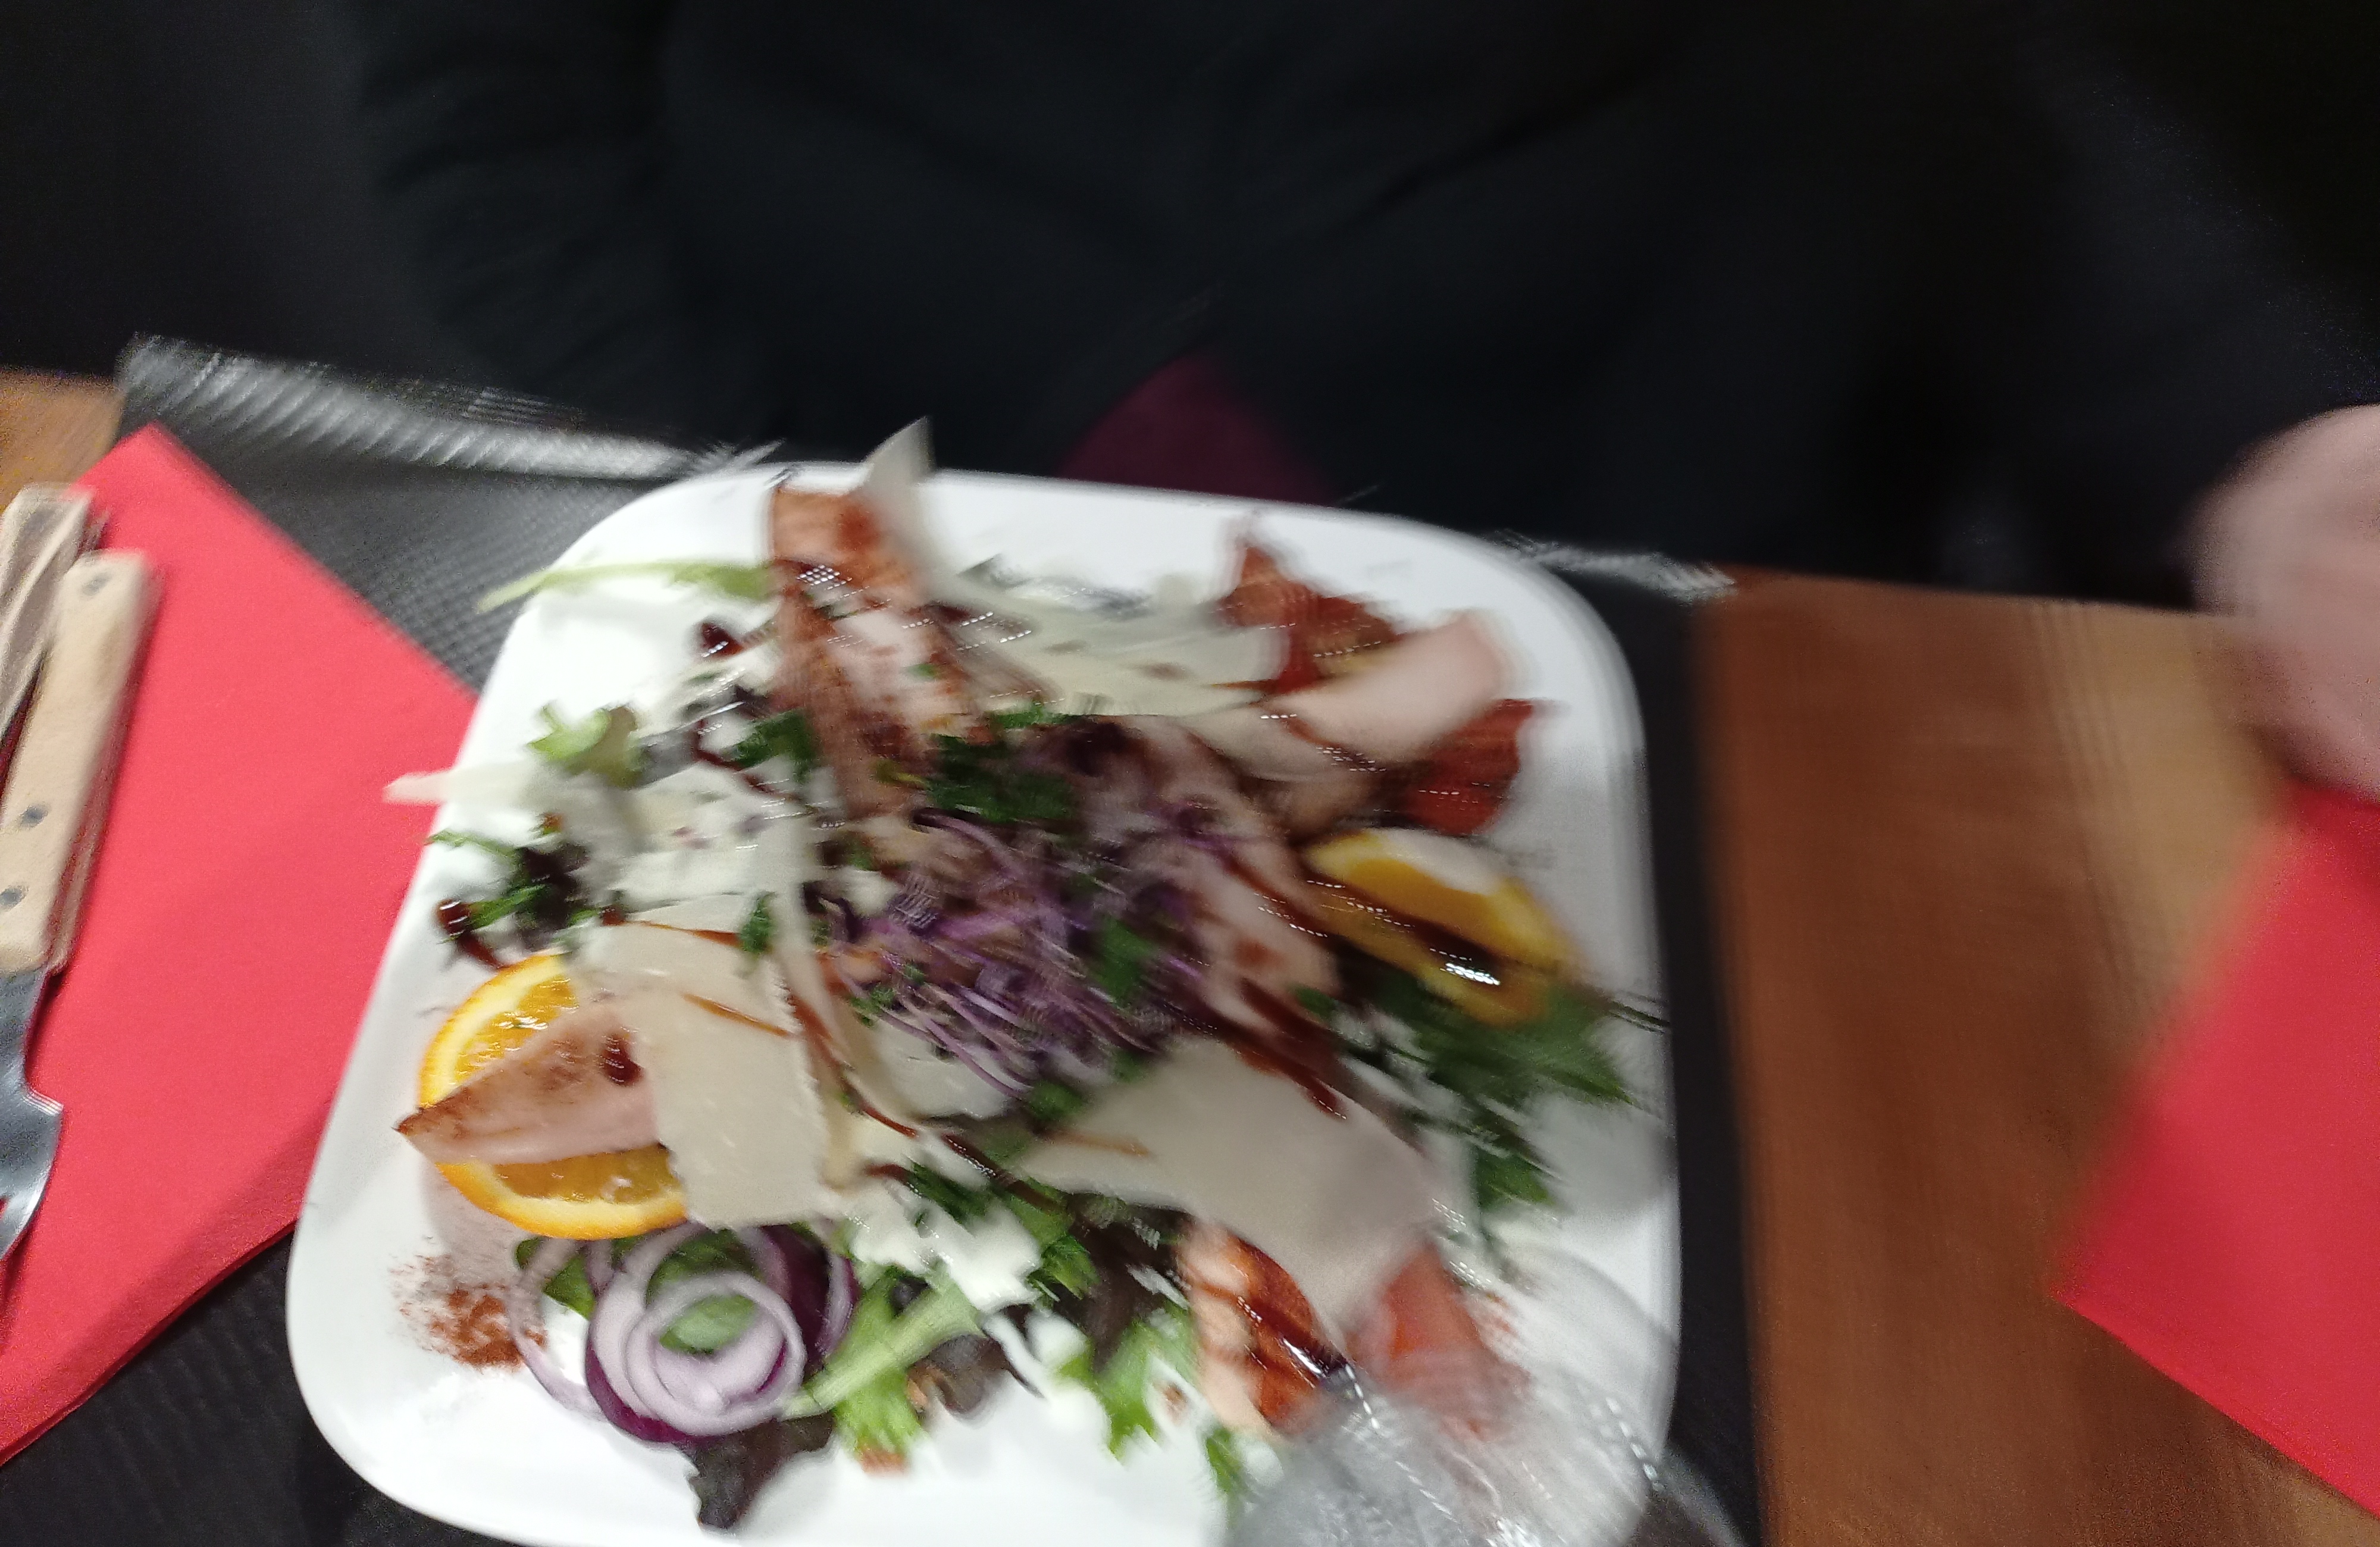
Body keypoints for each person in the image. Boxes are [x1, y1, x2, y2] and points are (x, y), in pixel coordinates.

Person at [339, 0, 2380, 793]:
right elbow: (493, 128)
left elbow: (1979, 67)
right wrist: (805, 541)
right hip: (926, 534)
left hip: (1688, 555)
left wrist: (2264, 436)